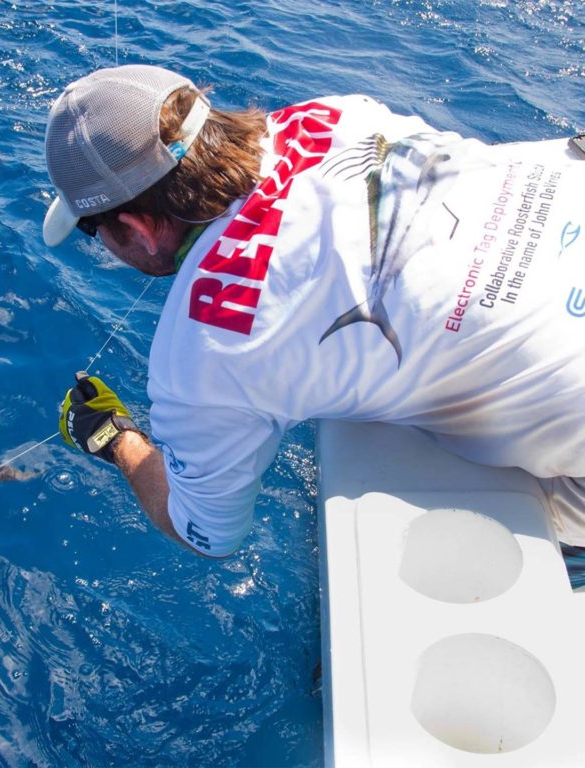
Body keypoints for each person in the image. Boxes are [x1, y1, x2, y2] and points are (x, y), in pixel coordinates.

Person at [42, 63, 585, 566]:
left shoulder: (205, 353)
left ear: (136, 227)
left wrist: (113, 438)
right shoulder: (340, 110)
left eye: (93, 228)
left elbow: (205, 533)